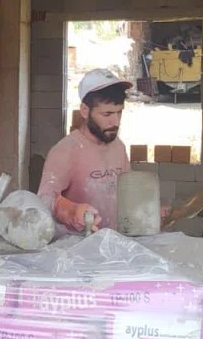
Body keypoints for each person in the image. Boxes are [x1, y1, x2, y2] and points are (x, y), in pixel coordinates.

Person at [37, 68, 132, 234]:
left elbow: (129, 191)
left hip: (115, 242)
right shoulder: (66, 150)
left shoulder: (118, 146)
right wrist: (71, 211)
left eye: (119, 112)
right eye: (107, 114)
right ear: (85, 111)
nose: (115, 122)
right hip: (77, 245)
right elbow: (44, 200)